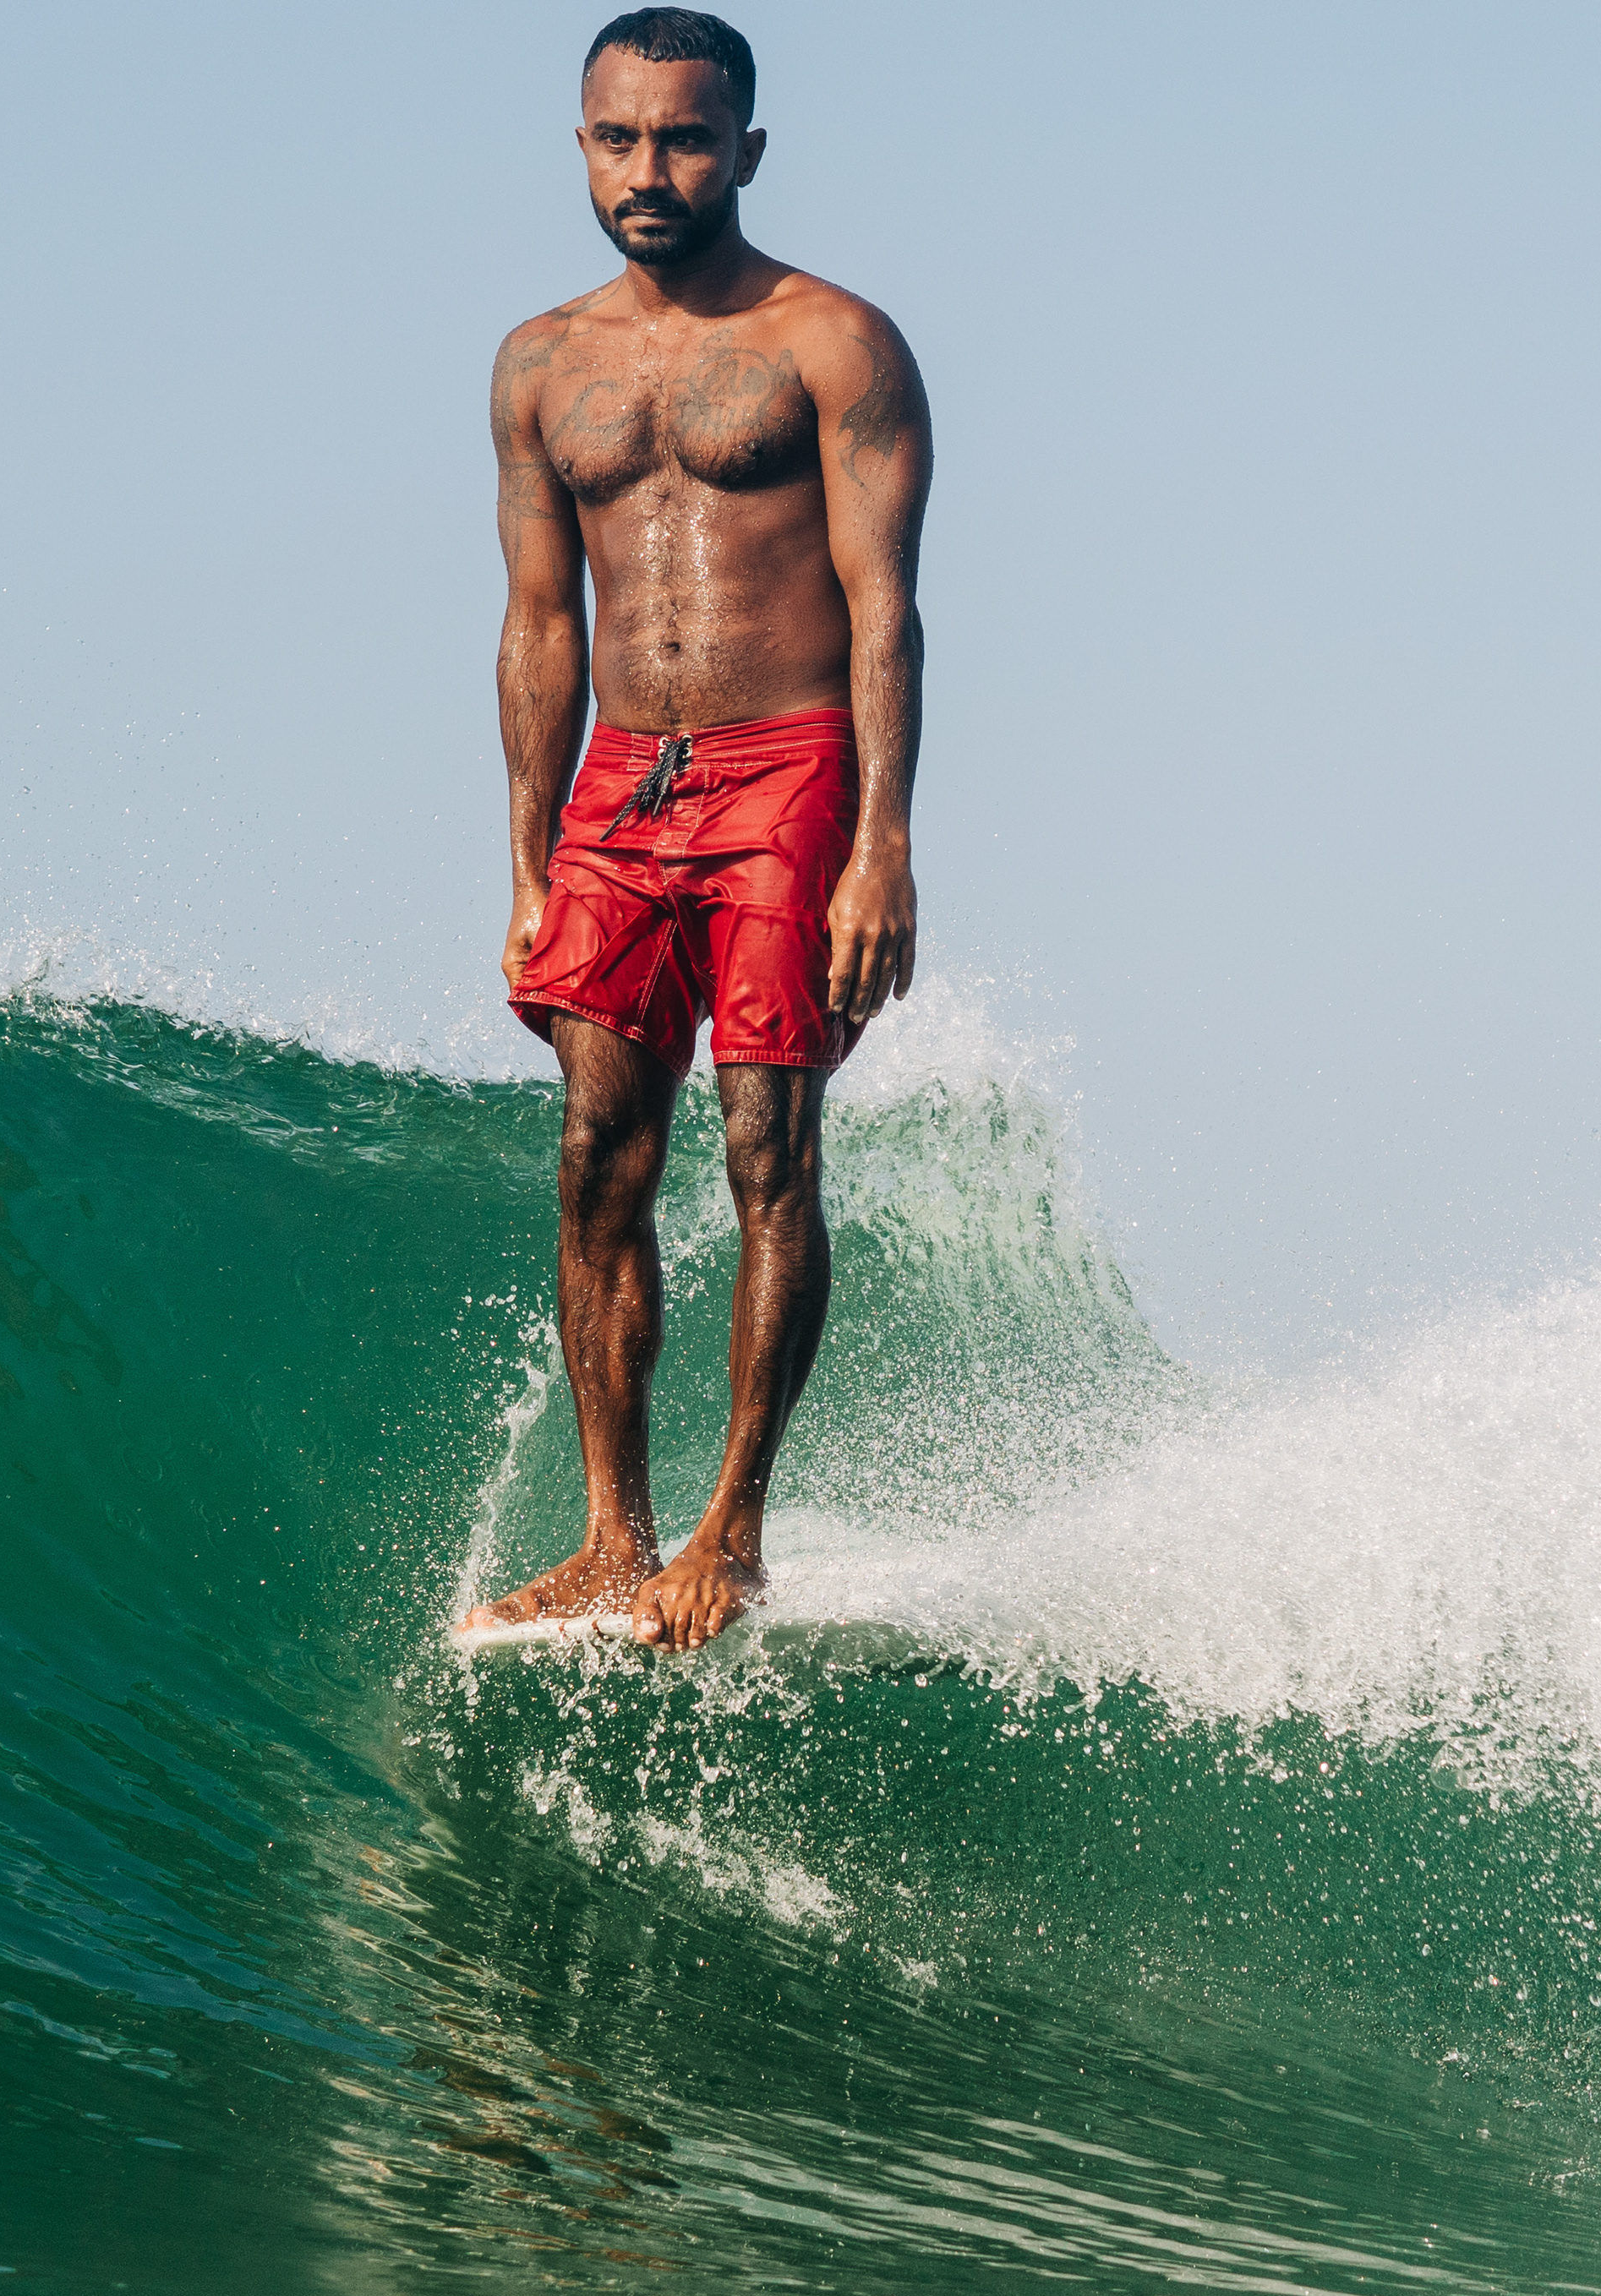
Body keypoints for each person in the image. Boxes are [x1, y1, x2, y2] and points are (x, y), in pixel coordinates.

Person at [461, 8, 932, 1654]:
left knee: (763, 1147)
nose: (647, 171)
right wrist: (529, 862)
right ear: (582, 144)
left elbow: (886, 611)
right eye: (618, 138)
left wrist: (882, 843)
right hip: (622, 784)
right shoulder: (539, 363)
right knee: (599, 1152)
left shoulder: (835, 343)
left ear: (746, 149)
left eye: (682, 138)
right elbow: (538, 625)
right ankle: (613, 1536)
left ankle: (730, 1530)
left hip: (789, 768)